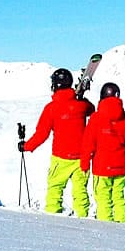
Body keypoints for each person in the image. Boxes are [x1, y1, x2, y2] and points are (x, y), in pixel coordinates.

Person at [20, 68, 94, 217]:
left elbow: (41, 135)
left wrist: (26, 146)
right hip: (82, 158)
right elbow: (92, 110)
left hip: (60, 158)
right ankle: (84, 220)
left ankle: (52, 222)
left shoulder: (51, 108)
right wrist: (81, 98)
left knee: (55, 191)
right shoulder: (81, 105)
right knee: (80, 193)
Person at [80, 82, 125, 223]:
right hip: (121, 166)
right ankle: (122, 222)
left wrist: (85, 163)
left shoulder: (96, 118)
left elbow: (88, 143)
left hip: (102, 167)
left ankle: (106, 227)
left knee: (103, 197)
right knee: (119, 197)